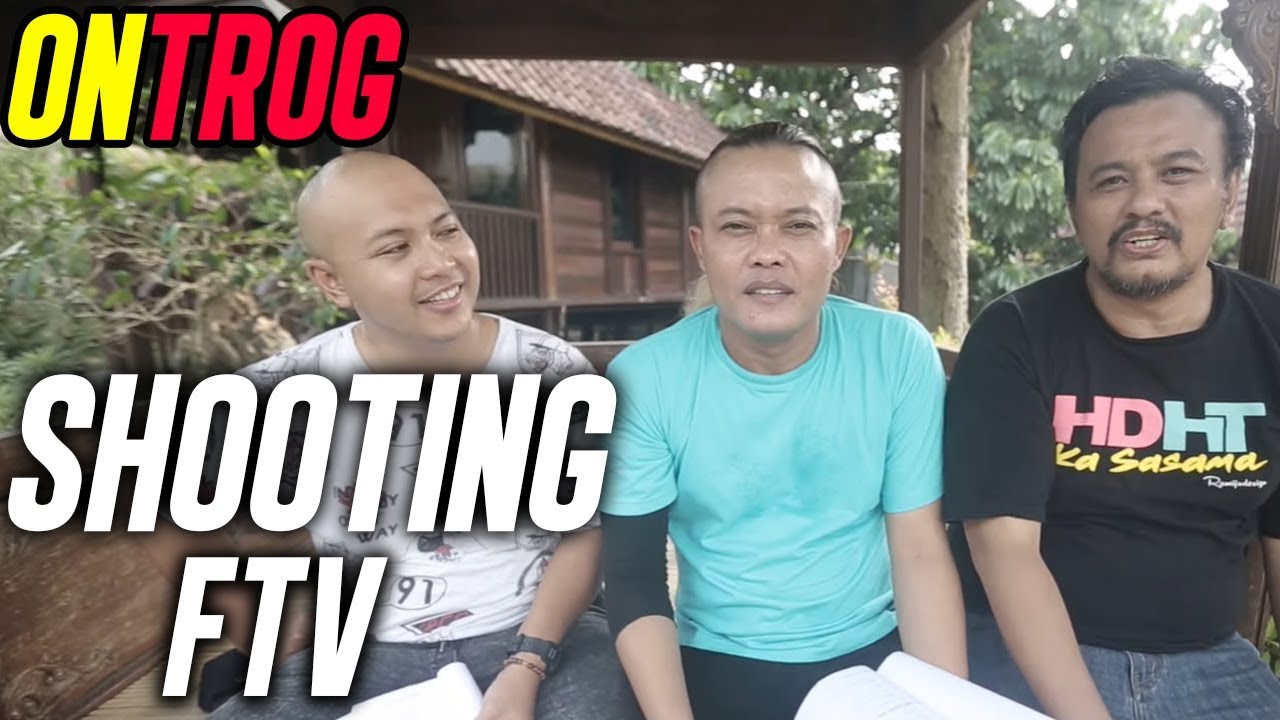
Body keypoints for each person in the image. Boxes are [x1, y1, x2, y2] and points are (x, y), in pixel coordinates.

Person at [143, 151, 642, 720]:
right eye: (395, 248)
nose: (440, 263)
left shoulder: (544, 366)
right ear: (332, 281)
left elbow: (589, 531)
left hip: (542, 634)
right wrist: (259, 630)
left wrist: (528, 661)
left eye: (446, 231)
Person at [944, 56, 1280, 720]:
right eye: (1112, 180)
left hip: (1211, 663)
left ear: (1229, 189)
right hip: (1022, 652)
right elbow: (1005, 552)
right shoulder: (1016, 334)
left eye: (1177, 172)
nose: (1144, 203)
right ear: (1074, 205)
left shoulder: (1271, 334)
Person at [598, 121, 968, 720]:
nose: (766, 252)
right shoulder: (645, 378)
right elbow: (634, 576)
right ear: (700, 247)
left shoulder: (896, 351)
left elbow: (920, 551)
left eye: (797, 225)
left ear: (837, 245)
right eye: (737, 226)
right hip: (712, 658)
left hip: (872, 655)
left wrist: (946, 707)